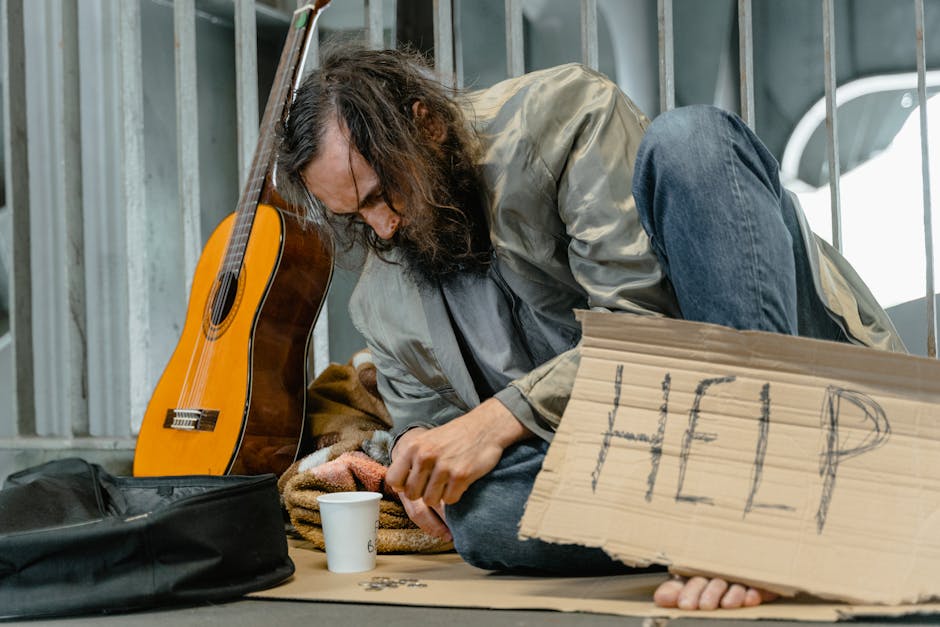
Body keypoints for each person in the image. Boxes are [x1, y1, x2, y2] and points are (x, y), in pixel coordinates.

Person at [276, 42, 905, 611]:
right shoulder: (379, 303)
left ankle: (766, 501)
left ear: (427, 125)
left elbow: (648, 325)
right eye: (356, 215)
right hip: (657, 448)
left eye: (385, 192)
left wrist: (498, 419)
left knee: (691, 140)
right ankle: (776, 515)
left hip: (798, 386)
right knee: (479, 515)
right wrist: (423, 471)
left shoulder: (564, 116)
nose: (384, 227)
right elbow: (438, 440)